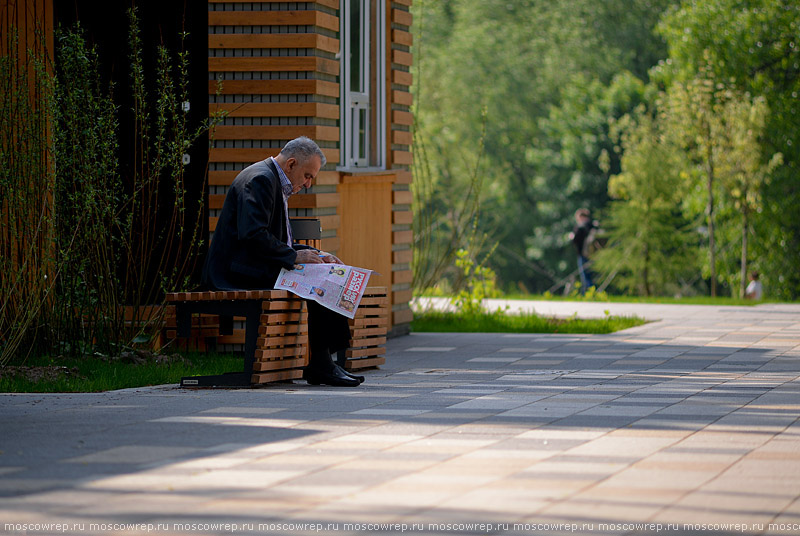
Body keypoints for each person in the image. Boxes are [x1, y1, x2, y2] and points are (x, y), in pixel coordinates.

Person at [202, 137, 364, 387]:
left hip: (253, 264)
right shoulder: (261, 179)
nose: (308, 184)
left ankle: (326, 362)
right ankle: (323, 364)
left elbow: (279, 241)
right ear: (291, 164)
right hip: (235, 271)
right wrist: (294, 257)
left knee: (328, 272)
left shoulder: (273, 180)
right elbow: (253, 235)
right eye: (308, 176)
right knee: (320, 281)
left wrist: (315, 255)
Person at [569, 208, 596, 292]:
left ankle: (588, 293)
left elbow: (575, 240)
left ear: (581, 217)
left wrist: (571, 236)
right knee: (591, 275)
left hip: (583, 254)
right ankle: (593, 292)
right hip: (595, 254)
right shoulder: (594, 226)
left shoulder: (581, 227)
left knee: (585, 276)